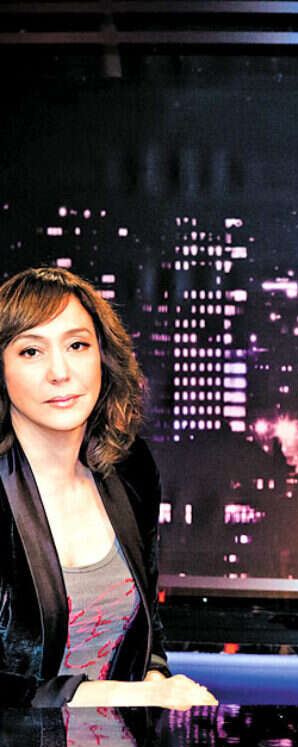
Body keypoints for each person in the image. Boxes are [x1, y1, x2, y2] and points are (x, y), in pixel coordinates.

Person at [0, 267, 215, 708]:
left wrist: (155, 679)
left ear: (103, 355)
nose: (60, 372)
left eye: (77, 345)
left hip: (118, 746)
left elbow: (147, 628)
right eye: (31, 351)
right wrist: (126, 694)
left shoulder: (130, 468)